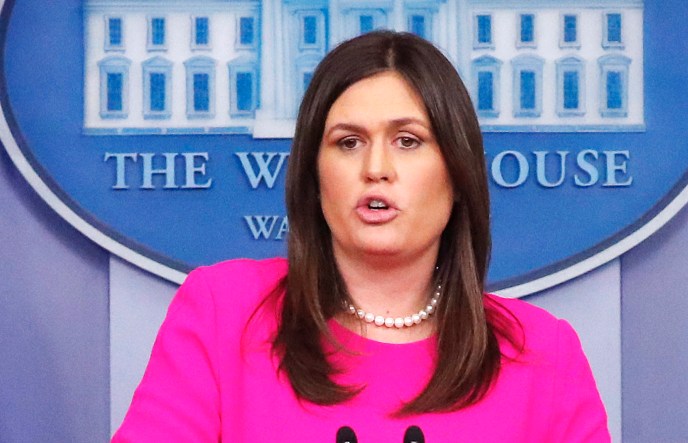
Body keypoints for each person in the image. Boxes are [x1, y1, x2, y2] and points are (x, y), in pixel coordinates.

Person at [113, 31, 609, 442]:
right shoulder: (224, 313)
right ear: (314, 176)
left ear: (458, 174)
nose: (376, 168)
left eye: (408, 141)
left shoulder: (543, 354)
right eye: (348, 142)